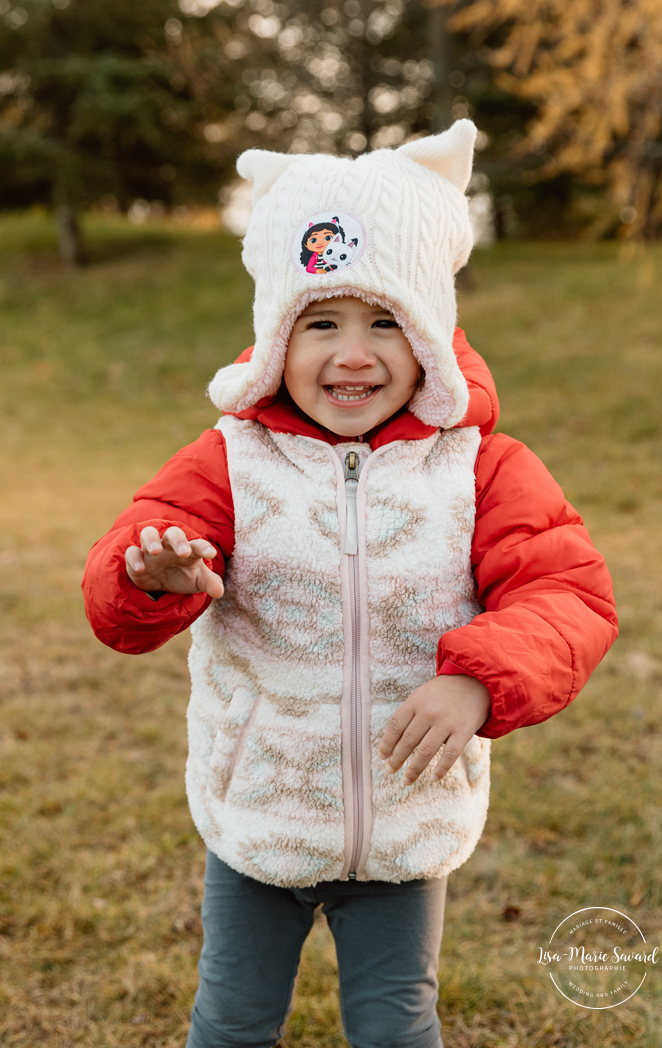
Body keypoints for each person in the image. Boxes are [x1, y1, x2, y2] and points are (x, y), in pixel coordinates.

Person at [82, 120, 617, 1048]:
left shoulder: (481, 469)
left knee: (398, 1023)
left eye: (385, 322)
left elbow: (568, 596)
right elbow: (120, 585)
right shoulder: (230, 462)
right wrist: (152, 574)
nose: (353, 354)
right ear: (275, 336)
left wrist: (477, 675)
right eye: (321, 322)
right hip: (260, 811)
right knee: (234, 1019)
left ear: (430, 338)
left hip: (406, 822)